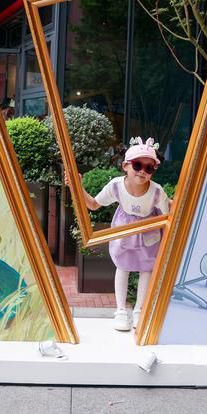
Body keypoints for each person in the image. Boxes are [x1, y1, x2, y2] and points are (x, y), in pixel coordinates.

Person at [67, 137, 171, 331]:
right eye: (137, 165)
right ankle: (121, 311)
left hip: (148, 232)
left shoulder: (157, 192)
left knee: (146, 269)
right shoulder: (116, 186)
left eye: (149, 168)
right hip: (124, 231)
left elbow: (168, 216)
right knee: (122, 267)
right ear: (125, 166)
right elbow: (93, 204)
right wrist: (76, 187)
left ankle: (140, 310)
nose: (142, 171)